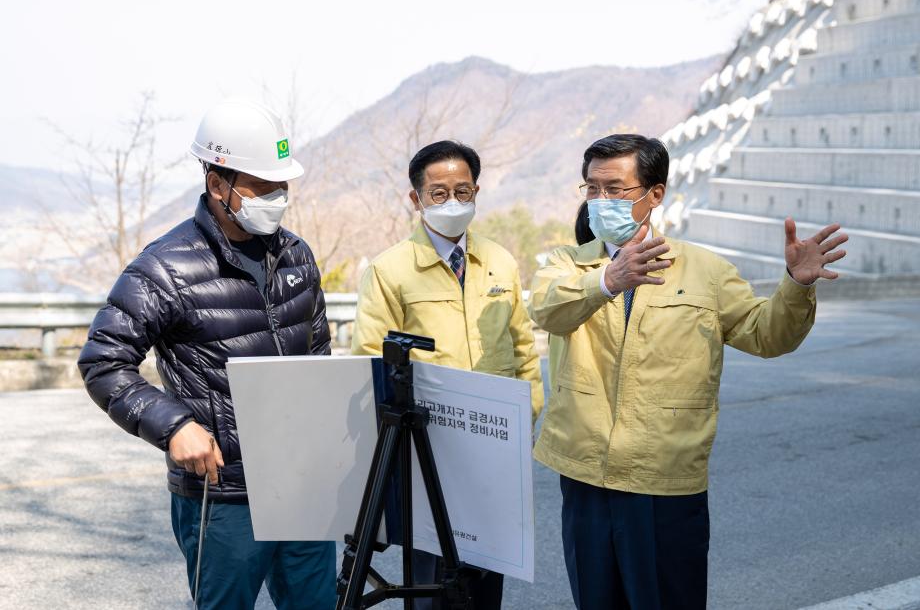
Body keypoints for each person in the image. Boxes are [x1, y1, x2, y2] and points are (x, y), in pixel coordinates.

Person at [529, 134, 848, 610]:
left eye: (615, 189)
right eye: (591, 189)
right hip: (586, 475)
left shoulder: (706, 272)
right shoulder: (566, 265)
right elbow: (547, 312)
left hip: (666, 479)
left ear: (654, 195)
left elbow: (767, 335)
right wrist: (606, 281)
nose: (600, 200)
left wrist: (795, 286)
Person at [77, 98, 336, 610]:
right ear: (218, 184)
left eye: (281, 186)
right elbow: (103, 362)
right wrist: (173, 426)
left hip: (304, 486)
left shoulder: (297, 255)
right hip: (225, 495)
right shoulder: (164, 267)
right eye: (262, 188)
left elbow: (318, 353)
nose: (277, 198)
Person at [351, 140, 543, 609]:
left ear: (477, 191)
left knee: (485, 581)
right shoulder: (390, 270)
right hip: (427, 452)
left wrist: (526, 412)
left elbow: (522, 347)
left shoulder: (499, 261)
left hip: (493, 447)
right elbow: (372, 358)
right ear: (416, 199)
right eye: (439, 193)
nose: (453, 202)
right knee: (433, 583)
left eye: (463, 190)